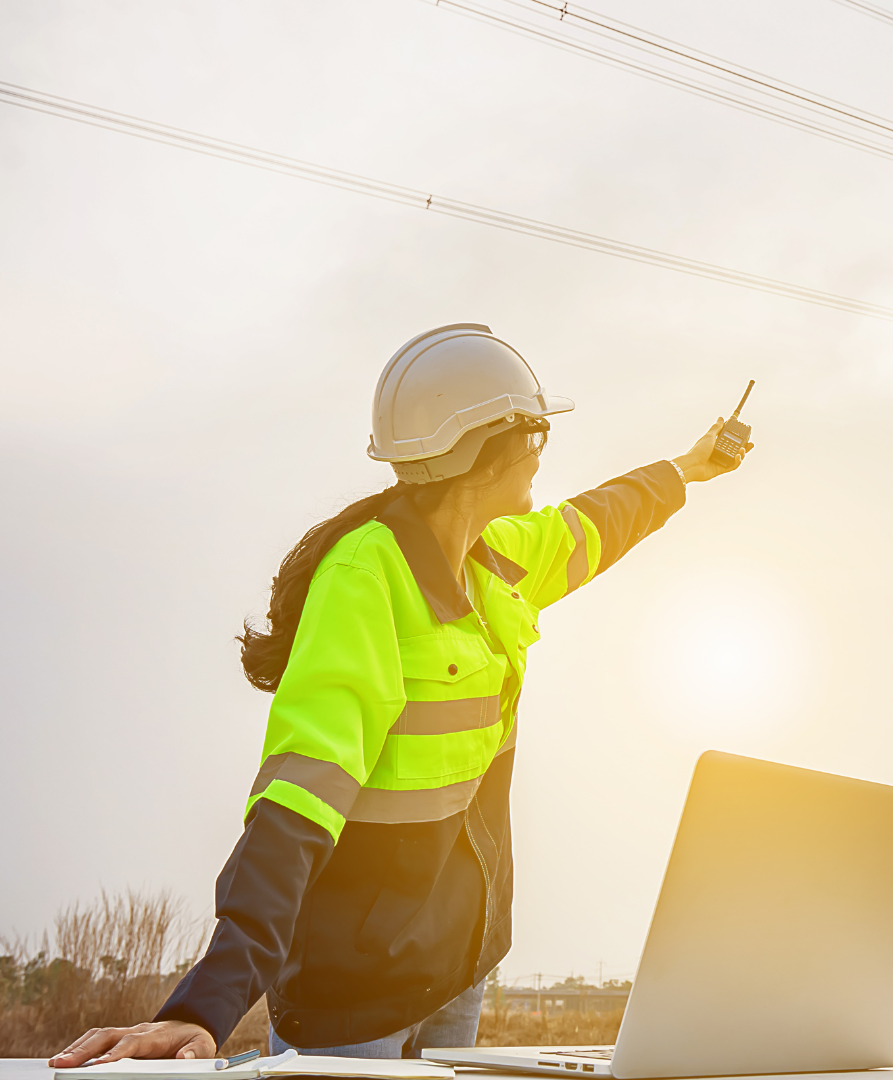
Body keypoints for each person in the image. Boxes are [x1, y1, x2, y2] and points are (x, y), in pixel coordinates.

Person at [49, 324, 751, 1066]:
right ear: (487, 451)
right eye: (537, 435)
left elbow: (598, 520)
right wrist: (207, 1003)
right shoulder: (366, 579)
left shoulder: (500, 558)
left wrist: (689, 468)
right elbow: (298, 795)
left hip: (454, 971)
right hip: (356, 992)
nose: (545, 455)